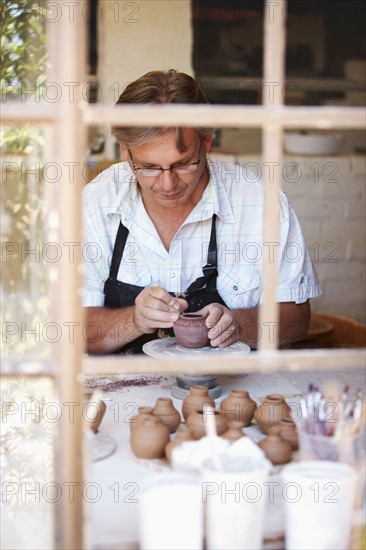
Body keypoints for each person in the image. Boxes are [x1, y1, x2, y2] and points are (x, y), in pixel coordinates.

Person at [82, 69, 322, 354]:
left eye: (184, 163)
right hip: (126, 392)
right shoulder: (98, 201)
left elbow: (297, 320)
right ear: (125, 152)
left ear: (206, 142)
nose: (167, 184)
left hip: (232, 392)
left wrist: (239, 325)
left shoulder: (261, 203)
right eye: (148, 167)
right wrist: (134, 320)